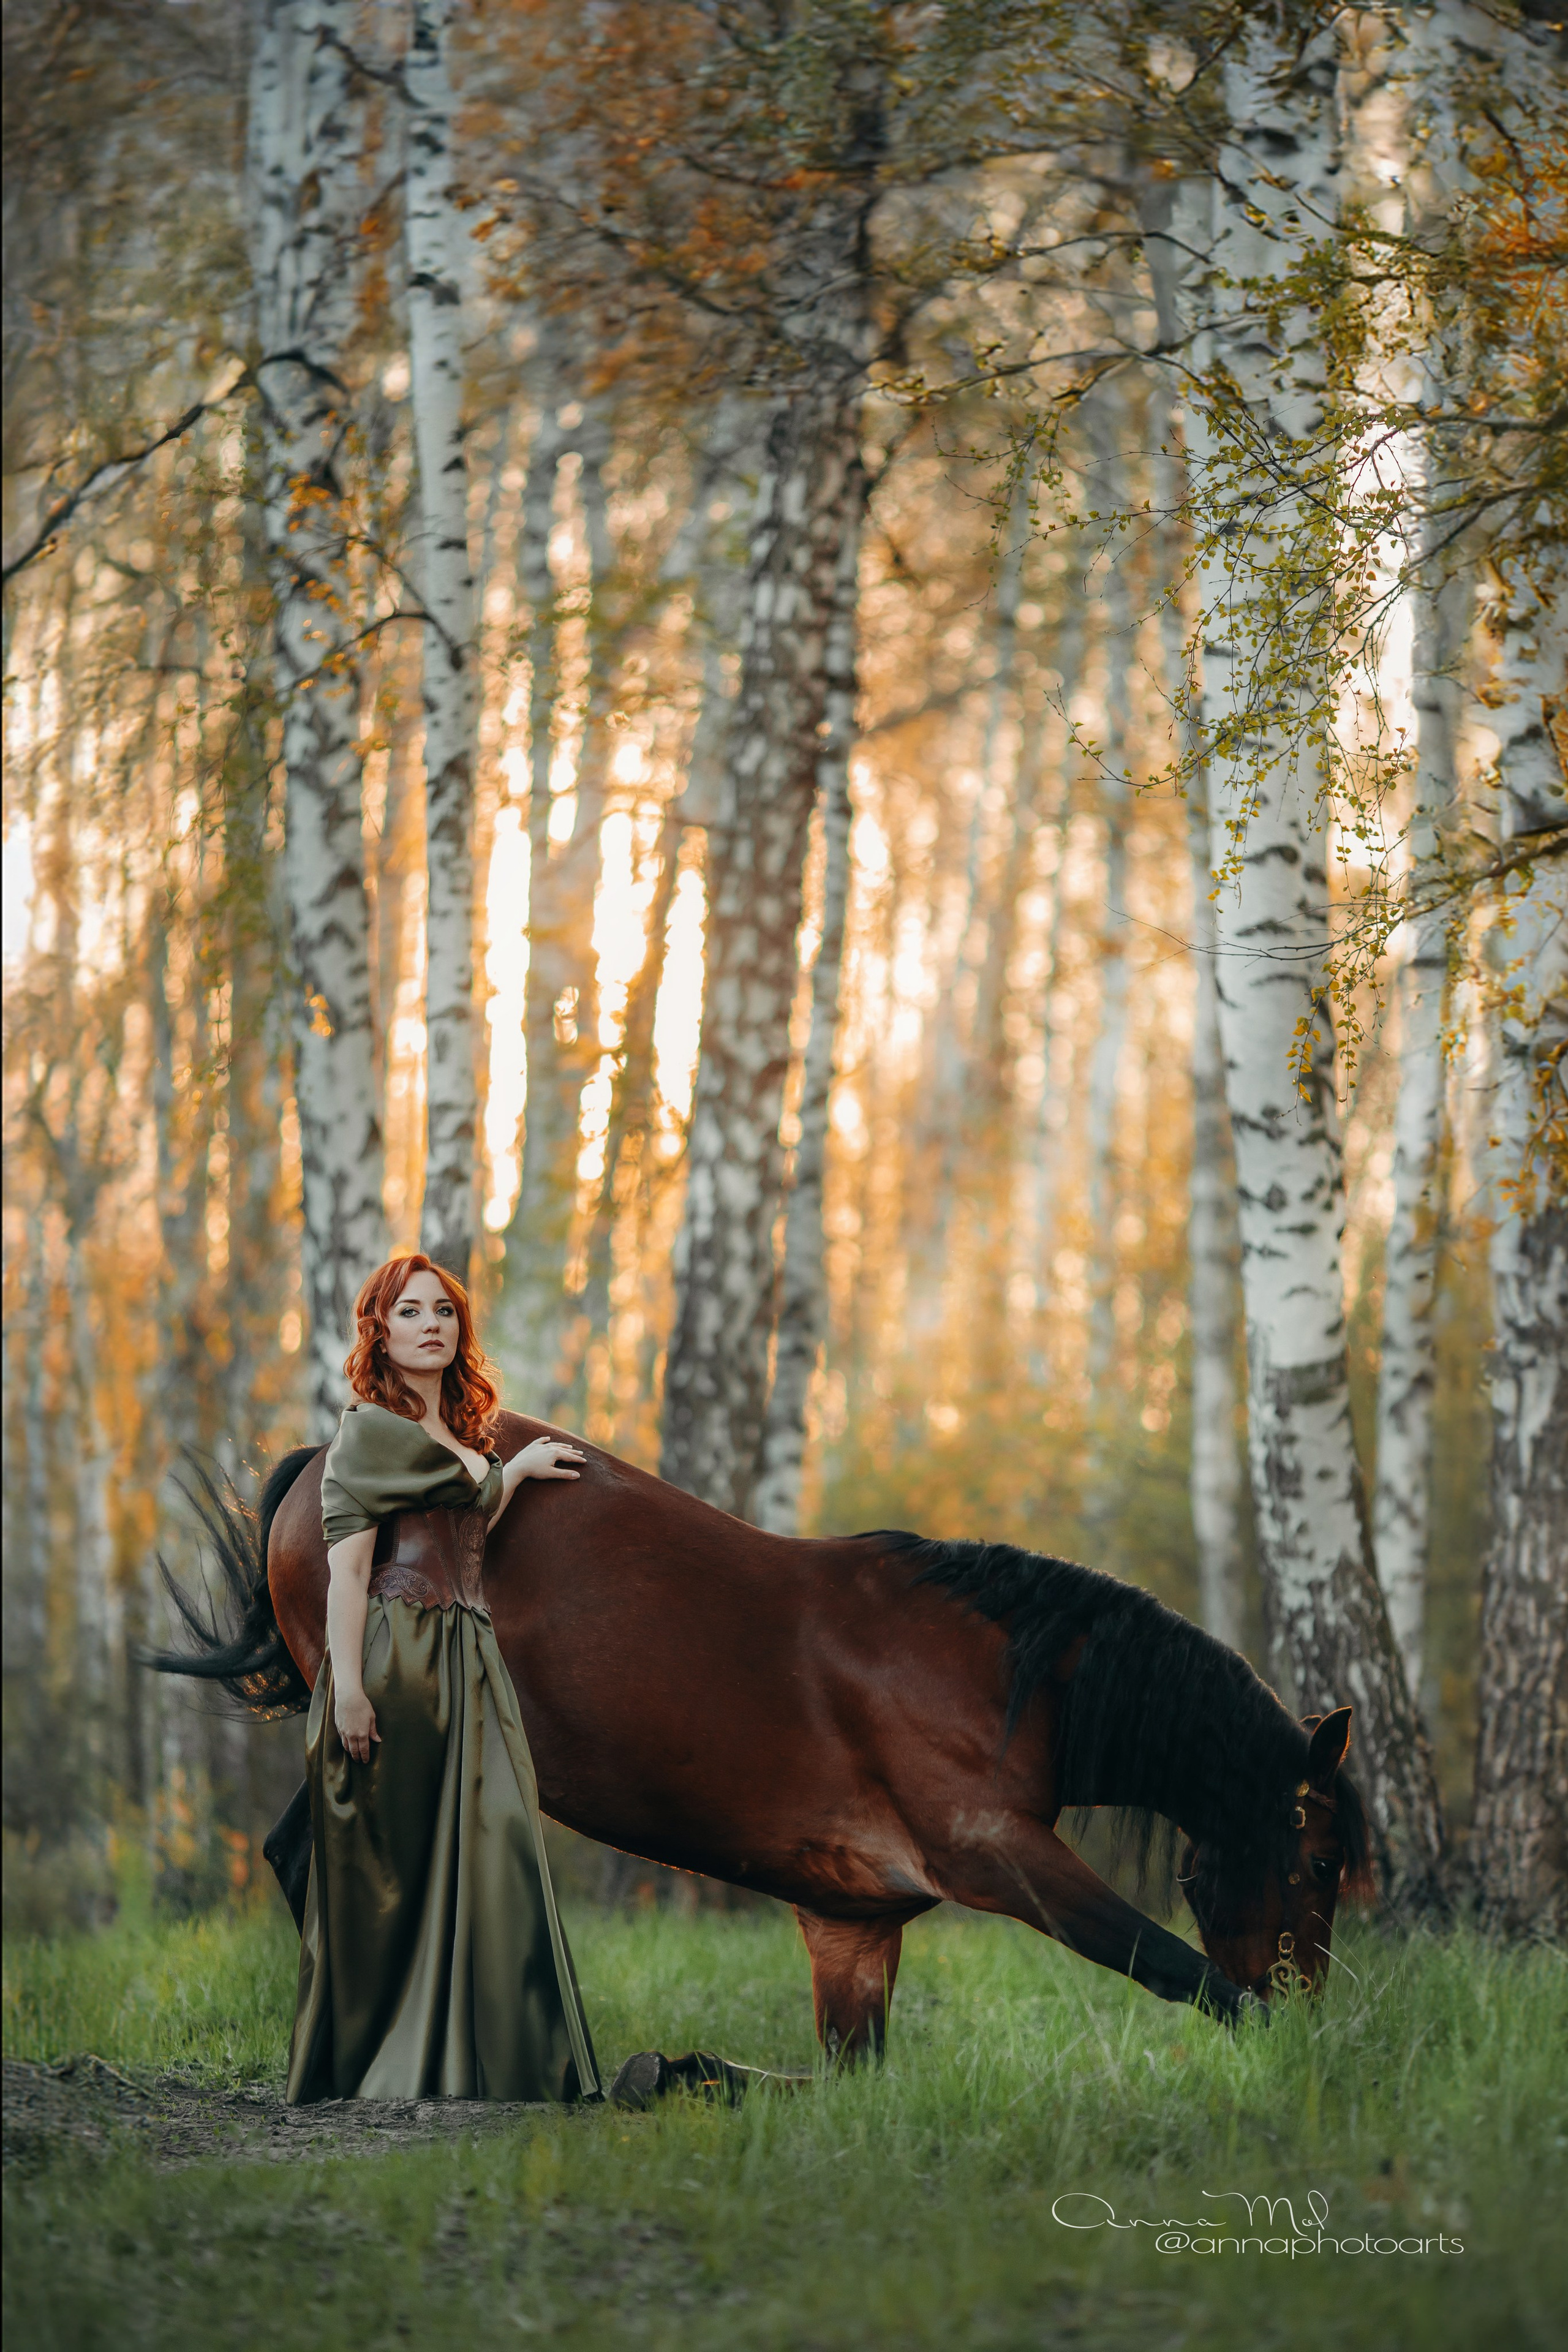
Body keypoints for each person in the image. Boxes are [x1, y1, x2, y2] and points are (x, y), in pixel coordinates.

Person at [286, 1253, 601, 2106]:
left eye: (445, 1313)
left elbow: (463, 1518)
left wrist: (515, 1477)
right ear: (379, 1330)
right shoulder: (369, 1432)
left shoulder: (456, 1438)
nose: (432, 1325)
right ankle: (392, 2067)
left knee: (492, 1839)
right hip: (400, 1658)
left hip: (470, 1656)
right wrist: (347, 1687)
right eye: (412, 1312)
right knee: (405, 1862)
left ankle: (500, 2063)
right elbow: (349, 1575)